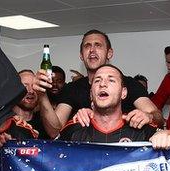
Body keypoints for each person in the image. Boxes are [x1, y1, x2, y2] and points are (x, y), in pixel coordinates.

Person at [33, 30, 163, 138]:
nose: (92, 50)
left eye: (98, 45)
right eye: (87, 46)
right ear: (81, 55)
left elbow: (158, 117)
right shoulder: (72, 89)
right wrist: (42, 95)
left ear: (109, 53)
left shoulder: (130, 84)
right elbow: (55, 131)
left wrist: (148, 116)